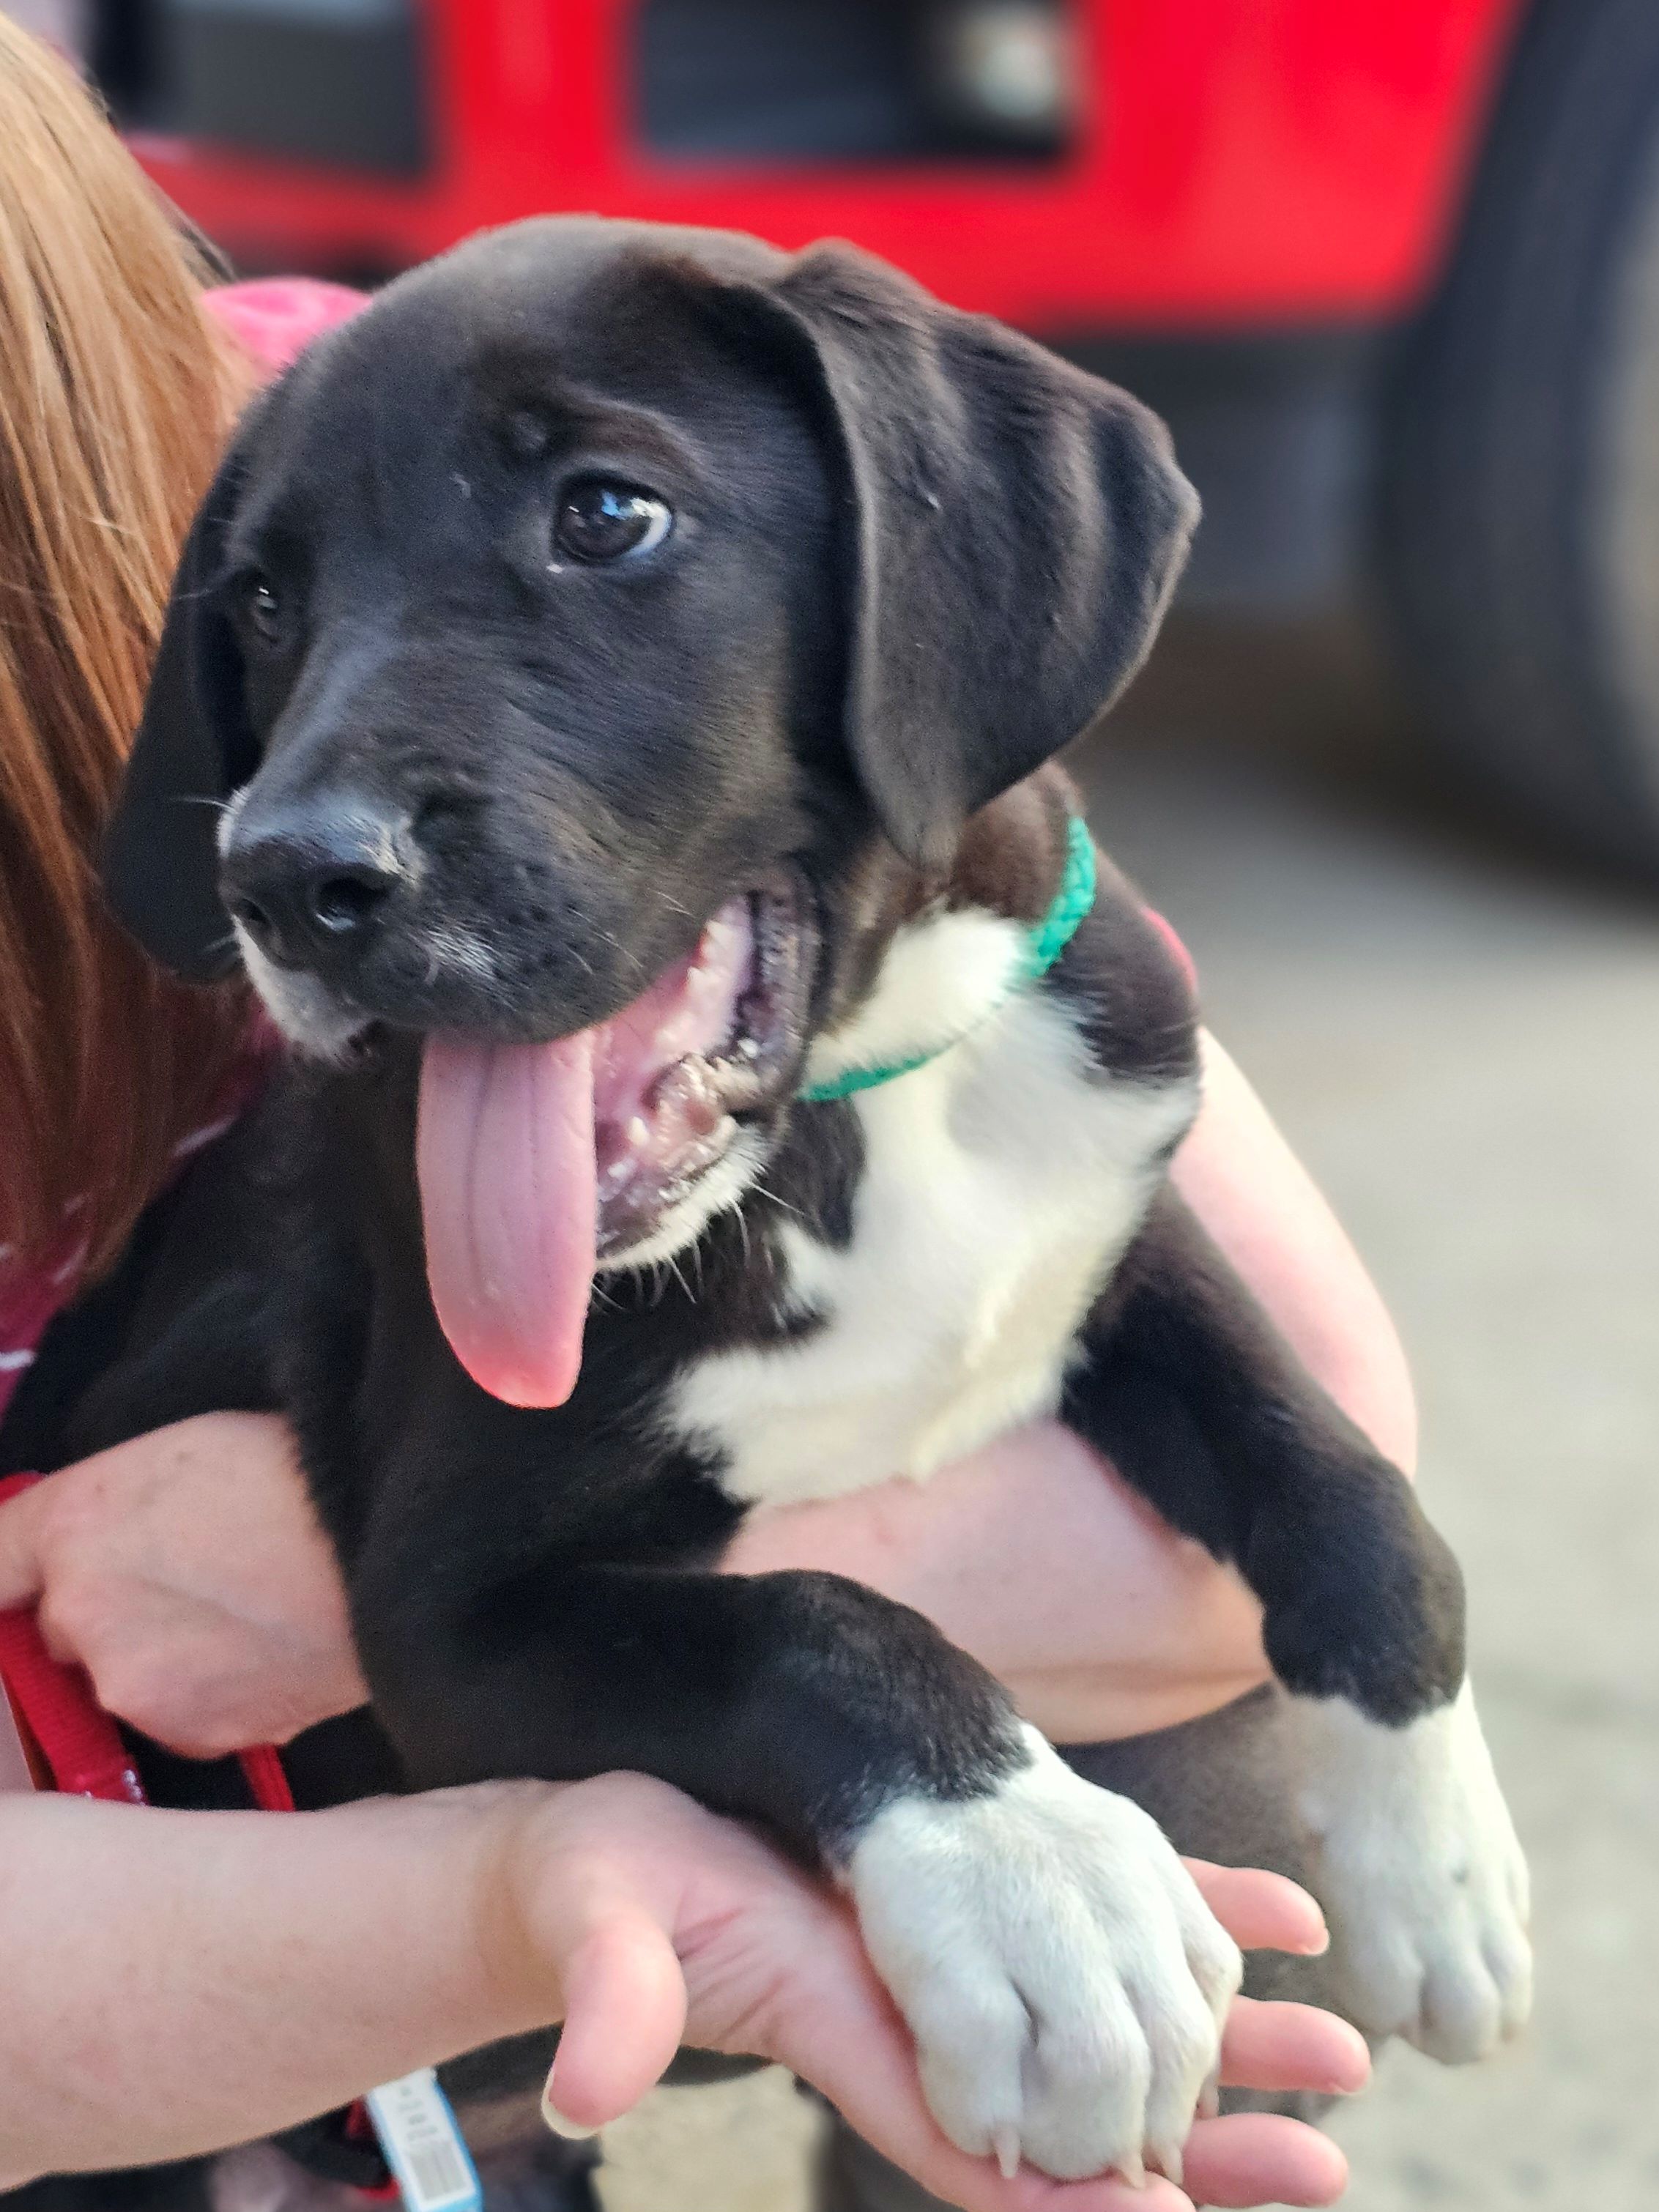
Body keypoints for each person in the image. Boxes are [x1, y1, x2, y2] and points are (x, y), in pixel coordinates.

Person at [0, 17, 1397, 2207]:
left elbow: (1310, 1475)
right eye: (274, 619)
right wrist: (497, 1865)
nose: (297, 812)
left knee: (1183, 1797)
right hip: (149, 1925)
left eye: (604, 520)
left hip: (577, 1674)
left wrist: (379, 1585)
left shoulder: (349, 414)